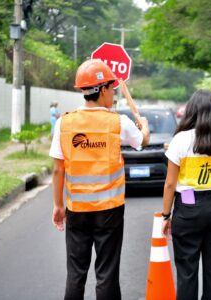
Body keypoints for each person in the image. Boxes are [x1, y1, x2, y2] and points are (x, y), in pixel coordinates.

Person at [49, 59, 150, 300]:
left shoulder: (64, 123)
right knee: (107, 273)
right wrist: (144, 126)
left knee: (76, 274)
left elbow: (58, 170)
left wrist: (58, 205)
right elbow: (142, 141)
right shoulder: (118, 122)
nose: (114, 94)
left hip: (77, 210)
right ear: (102, 89)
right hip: (110, 211)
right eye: (112, 89)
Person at [161, 89, 211, 300]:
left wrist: (166, 216)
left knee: (187, 271)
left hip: (188, 204)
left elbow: (170, 184)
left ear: (192, 111)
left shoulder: (180, 139)